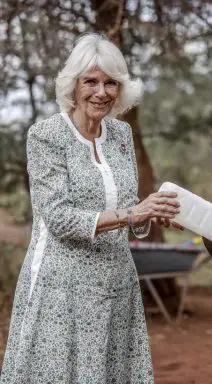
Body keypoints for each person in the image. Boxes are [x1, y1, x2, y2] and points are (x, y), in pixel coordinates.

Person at [0, 33, 182, 383]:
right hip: (62, 287)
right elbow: (59, 219)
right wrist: (134, 214)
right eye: (91, 81)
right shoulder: (46, 136)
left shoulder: (121, 135)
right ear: (74, 85)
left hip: (117, 282)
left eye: (111, 83)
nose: (101, 92)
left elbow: (129, 207)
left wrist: (150, 214)